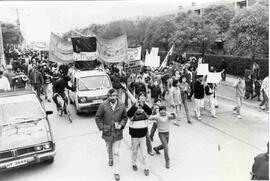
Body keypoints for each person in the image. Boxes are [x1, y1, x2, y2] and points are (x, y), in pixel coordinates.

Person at [95, 88, 128, 181]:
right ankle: (110, 158)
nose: (112, 97)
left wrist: (121, 124)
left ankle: (116, 172)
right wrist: (102, 127)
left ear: (116, 95)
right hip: (107, 132)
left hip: (117, 132)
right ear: (108, 96)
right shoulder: (103, 105)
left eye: (113, 95)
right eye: (110, 96)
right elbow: (97, 117)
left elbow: (125, 118)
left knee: (116, 152)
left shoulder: (121, 105)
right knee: (109, 148)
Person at [127, 92, 152, 176]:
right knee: (134, 151)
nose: (139, 109)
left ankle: (146, 168)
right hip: (134, 136)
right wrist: (135, 106)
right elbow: (129, 113)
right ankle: (134, 164)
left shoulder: (145, 114)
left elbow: (150, 111)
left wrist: (143, 105)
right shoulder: (132, 115)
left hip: (143, 136)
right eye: (138, 108)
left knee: (144, 153)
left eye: (141, 108)